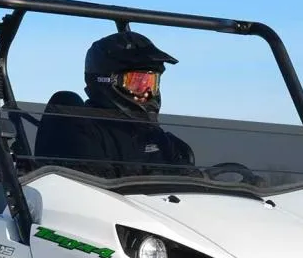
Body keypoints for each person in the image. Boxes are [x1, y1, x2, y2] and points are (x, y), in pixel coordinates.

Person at [35, 30, 195, 178]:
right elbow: (90, 188)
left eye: (152, 83)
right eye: (137, 82)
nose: (147, 92)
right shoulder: (77, 129)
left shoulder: (157, 137)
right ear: (106, 81)